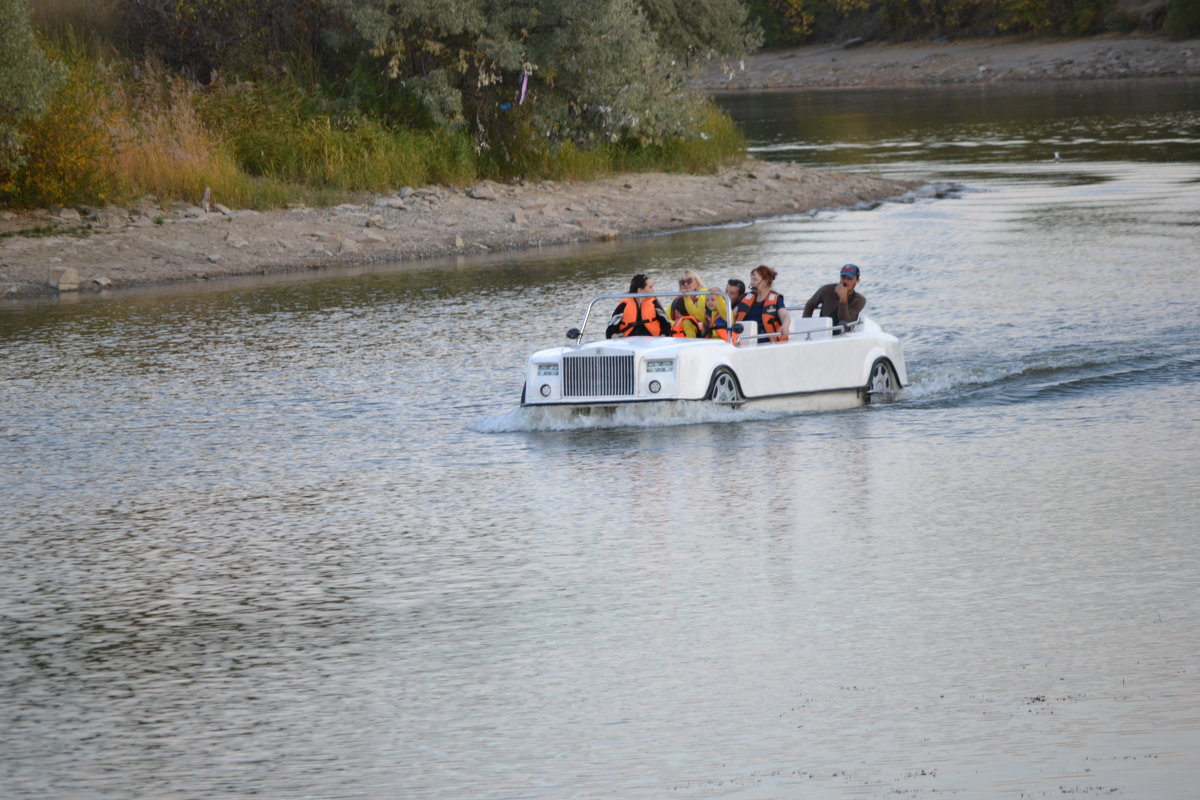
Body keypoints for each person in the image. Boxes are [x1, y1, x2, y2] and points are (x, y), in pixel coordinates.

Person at [736, 265, 791, 343]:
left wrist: (785, 326)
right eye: (751, 279)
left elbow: (785, 315)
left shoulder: (776, 299)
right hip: (743, 342)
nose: (751, 283)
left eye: (755, 279)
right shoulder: (745, 297)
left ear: (765, 281)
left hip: (766, 343)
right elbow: (732, 314)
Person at [803, 264, 866, 330]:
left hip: (844, 332)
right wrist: (806, 326)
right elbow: (810, 305)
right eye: (843, 277)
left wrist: (843, 299)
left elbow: (844, 321)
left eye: (849, 279)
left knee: (842, 323)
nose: (845, 281)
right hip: (824, 329)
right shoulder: (826, 289)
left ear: (857, 280)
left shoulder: (859, 300)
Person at [606, 273, 669, 338]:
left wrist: (663, 336)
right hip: (629, 344)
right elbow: (610, 329)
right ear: (640, 290)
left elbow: (666, 325)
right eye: (650, 287)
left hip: (652, 343)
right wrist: (614, 336)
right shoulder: (624, 305)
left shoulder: (654, 304)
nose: (653, 290)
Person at [669, 270, 721, 338]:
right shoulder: (676, 300)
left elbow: (705, 313)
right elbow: (668, 318)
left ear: (697, 282)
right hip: (681, 334)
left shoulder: (706, 294)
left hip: (703, 332)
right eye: (682, 282)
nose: (685, 284)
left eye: (689, 281)